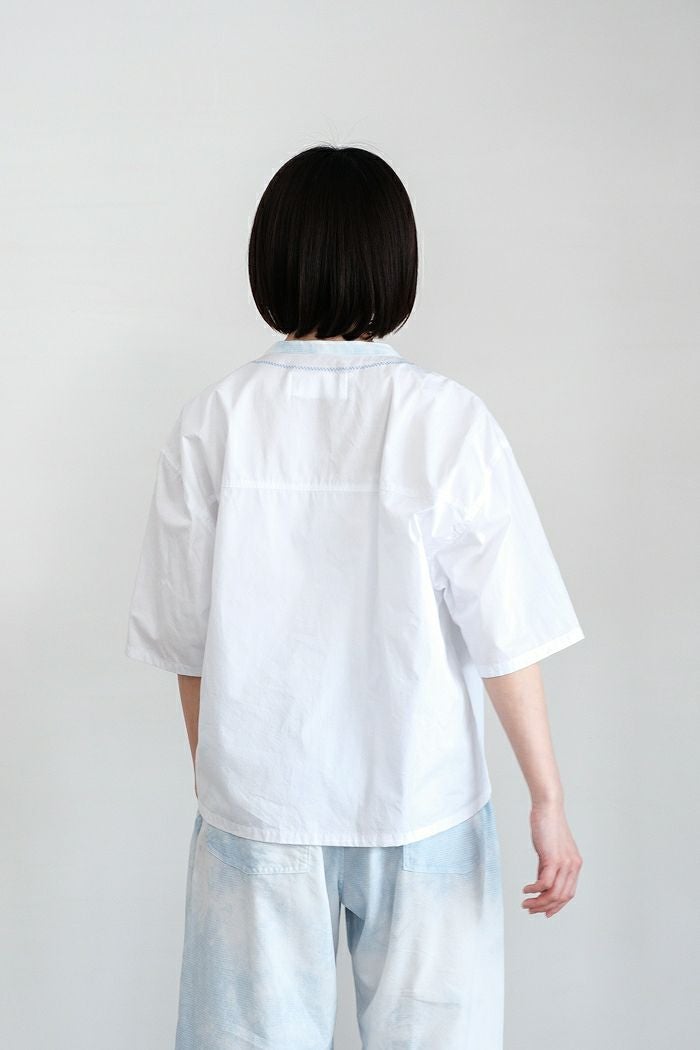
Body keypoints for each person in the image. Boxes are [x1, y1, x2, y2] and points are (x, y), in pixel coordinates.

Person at [125, 144, 585, 1049]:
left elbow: (187, 644)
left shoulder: (213, 422)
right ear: (395, 262)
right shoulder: (446, 419)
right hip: (421, 797)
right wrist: (547, 799)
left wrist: (225, 791)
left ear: (270, 259)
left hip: (259, 805)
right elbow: (507, 632)